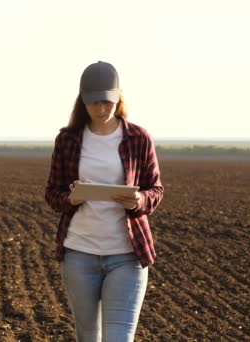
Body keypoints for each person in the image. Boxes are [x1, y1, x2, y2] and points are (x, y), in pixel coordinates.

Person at [45, 61, 164, 341]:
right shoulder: (68, 140)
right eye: (93, 102)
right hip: (79, 254)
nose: (100, 109)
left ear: (118, 97)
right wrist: (70, 199)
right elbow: (52, 193)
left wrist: (138, 201)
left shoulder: (138, 138)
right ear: (82, 101)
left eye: (106, 102)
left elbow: (155, 190)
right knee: (88, 338)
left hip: (127, 256)